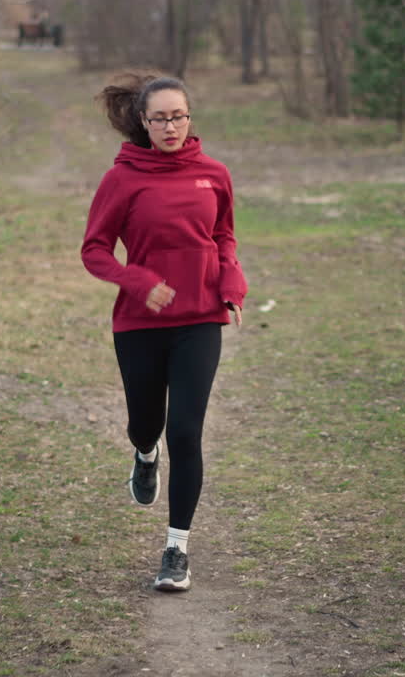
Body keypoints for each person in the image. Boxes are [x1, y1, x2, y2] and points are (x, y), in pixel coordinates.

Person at [81, 74, 247, 592]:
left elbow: (222, 235)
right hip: (140, 324)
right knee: (146, 424)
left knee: (186, 432)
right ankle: (143, 454)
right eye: (160, 119)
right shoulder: (123, 180)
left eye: (179, 116)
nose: (171, 126)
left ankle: (176, 549)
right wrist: (138, 280)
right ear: (143, 123)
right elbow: (95, 250)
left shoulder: (214, 174)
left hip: (200, 321)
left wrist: (231, 282)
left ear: (190, 118)